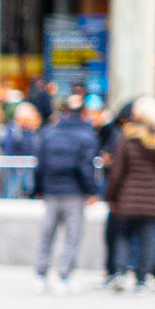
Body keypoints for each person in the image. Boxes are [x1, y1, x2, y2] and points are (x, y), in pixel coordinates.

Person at [104, 96, 155, 293]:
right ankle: (142, 278)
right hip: (151, 196)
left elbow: (117, 171)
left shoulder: (127, 138)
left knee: (122, 235)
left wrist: (111, 196)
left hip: (127, 196)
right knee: (149, 236)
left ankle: (119, 272)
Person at [32, 93, 102, 294]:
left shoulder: (49, 133)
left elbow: (40, 165)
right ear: (83, 114)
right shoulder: (87, 136)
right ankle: (63, 276)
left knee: (47, 235)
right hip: (74, 193)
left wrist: (38, 189)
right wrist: (92, 191)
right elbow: (86, 167)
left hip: (51, 192)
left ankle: (40, 274)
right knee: (72, 236)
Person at [0, 101, 41, 197]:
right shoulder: (13, 130)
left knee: (28, 191)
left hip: (29, 170)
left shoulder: (33, 132)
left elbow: (35, 148)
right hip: (15, 169)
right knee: (11, 192)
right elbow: (7, 146)